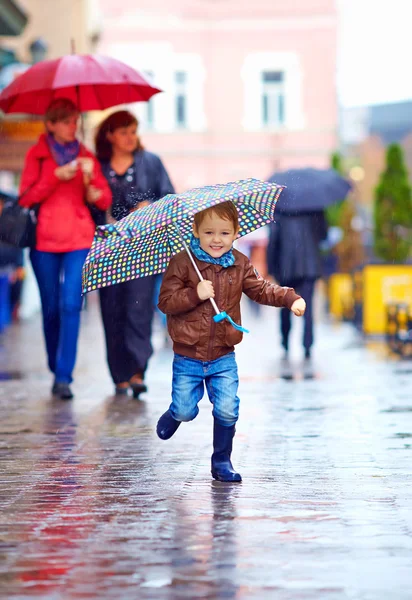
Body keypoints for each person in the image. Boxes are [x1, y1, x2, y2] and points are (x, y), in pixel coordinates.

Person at [156, 202, 306, 482]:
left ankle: (221, 460)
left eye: (224, 233)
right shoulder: (182, 263)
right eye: (209, 232)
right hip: (188, 355)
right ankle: (176, 412)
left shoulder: (239, 263)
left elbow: (261, 289)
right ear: (196, 231)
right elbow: (165, 302)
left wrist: (289, 298)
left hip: (223, 354)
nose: (216, 239)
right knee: (187, 409)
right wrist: (194, 294)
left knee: (227, 408)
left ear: (236, 233)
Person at [19, 98, 112, 399]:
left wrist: (92, 189)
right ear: (51, 124)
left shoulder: (86, 157)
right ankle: (54, 363)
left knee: (71, 304)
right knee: (51, 308)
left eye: (75, 120)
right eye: (67, 121)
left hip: (78, 239)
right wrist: (53, 178)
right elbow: (25, 198)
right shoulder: (38, 155)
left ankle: (64, 376)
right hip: (44, 241)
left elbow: (104, 201)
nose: (73, 125)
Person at [95, 110, 174, 397]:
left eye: (133, 131)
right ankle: (119, 374)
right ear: (110, 136)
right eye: (124, 132)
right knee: (112, 310)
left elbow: (169, 197)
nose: (130, 137)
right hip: (108, 248)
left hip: (142, 247)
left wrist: (149, 206)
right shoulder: (97, 166)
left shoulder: (150, 162)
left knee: (139, 309)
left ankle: (138, 370)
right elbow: (89, 207)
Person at [267, 211, 328, 361]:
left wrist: (272, 267)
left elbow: (273, 241)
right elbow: (323, 235)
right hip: (309, 265)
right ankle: (307, 345)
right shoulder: (315, 210)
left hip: (286, 266)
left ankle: (285, 341)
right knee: (307, 307)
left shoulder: (280, 212)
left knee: (286, 305)